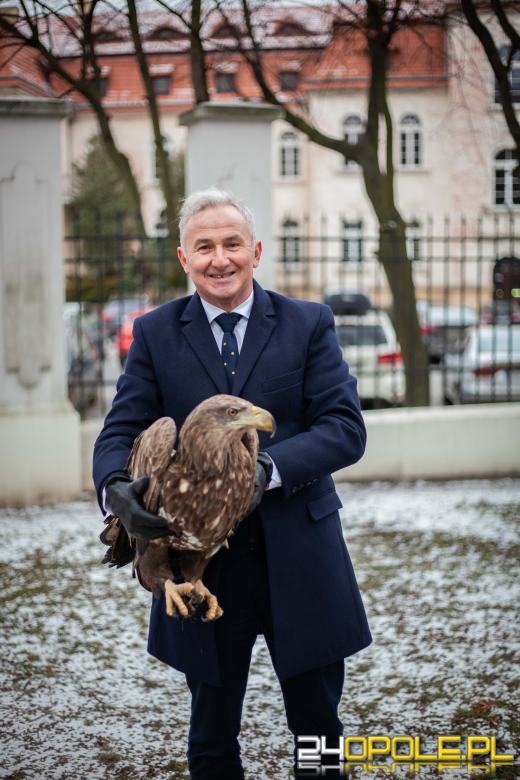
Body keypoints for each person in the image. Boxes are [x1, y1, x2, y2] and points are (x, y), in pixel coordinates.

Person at [93, 188, 372, 780]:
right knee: (212, 735)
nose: (220, 259)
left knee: (319, 731)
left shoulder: (308, 322)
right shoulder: (155, 333)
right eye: (205, 247)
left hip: (301, 551)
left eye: (232, 244)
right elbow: (119, 432)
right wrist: (117, 489)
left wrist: (263, 472)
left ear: (256, 251)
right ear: (183, 258)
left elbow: (344, 429)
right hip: (201, 569)